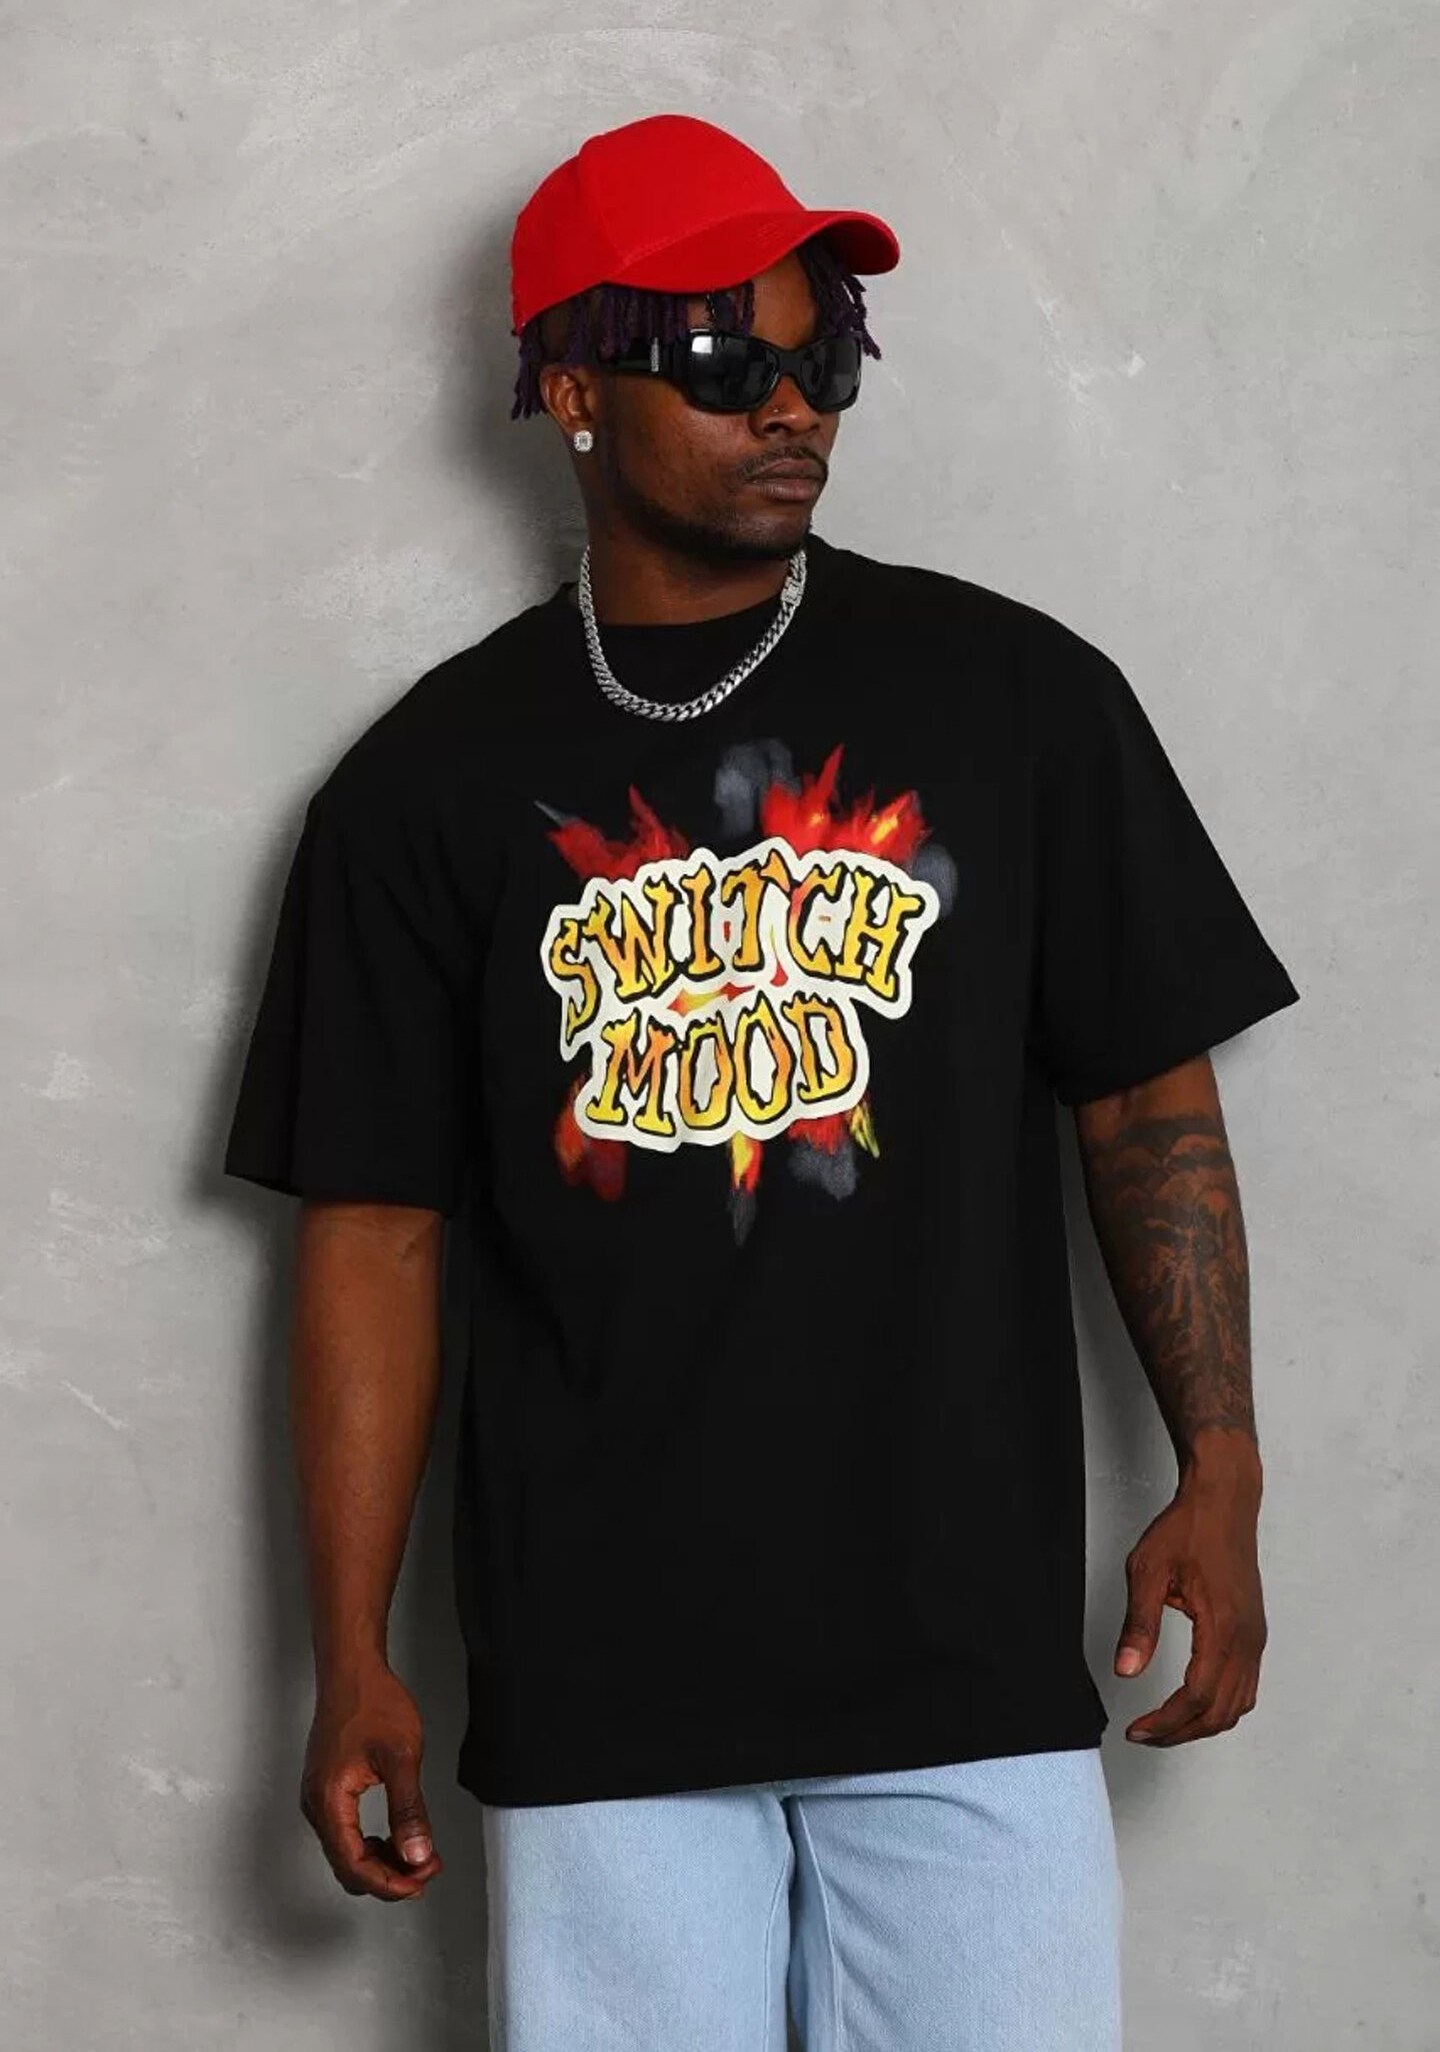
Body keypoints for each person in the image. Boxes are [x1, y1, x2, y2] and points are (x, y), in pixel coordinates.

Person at [223, 111, 1301, 2051]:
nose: (791, 407)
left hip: (963, 1662)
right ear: (571, 388)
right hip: (602, 1676)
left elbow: (1148, 1106)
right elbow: (373, 1236)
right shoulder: (424, 789)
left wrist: (1220, 1468)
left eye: (827, 360)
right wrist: (352, 1651)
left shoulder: (1019, 701)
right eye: (725, 363)